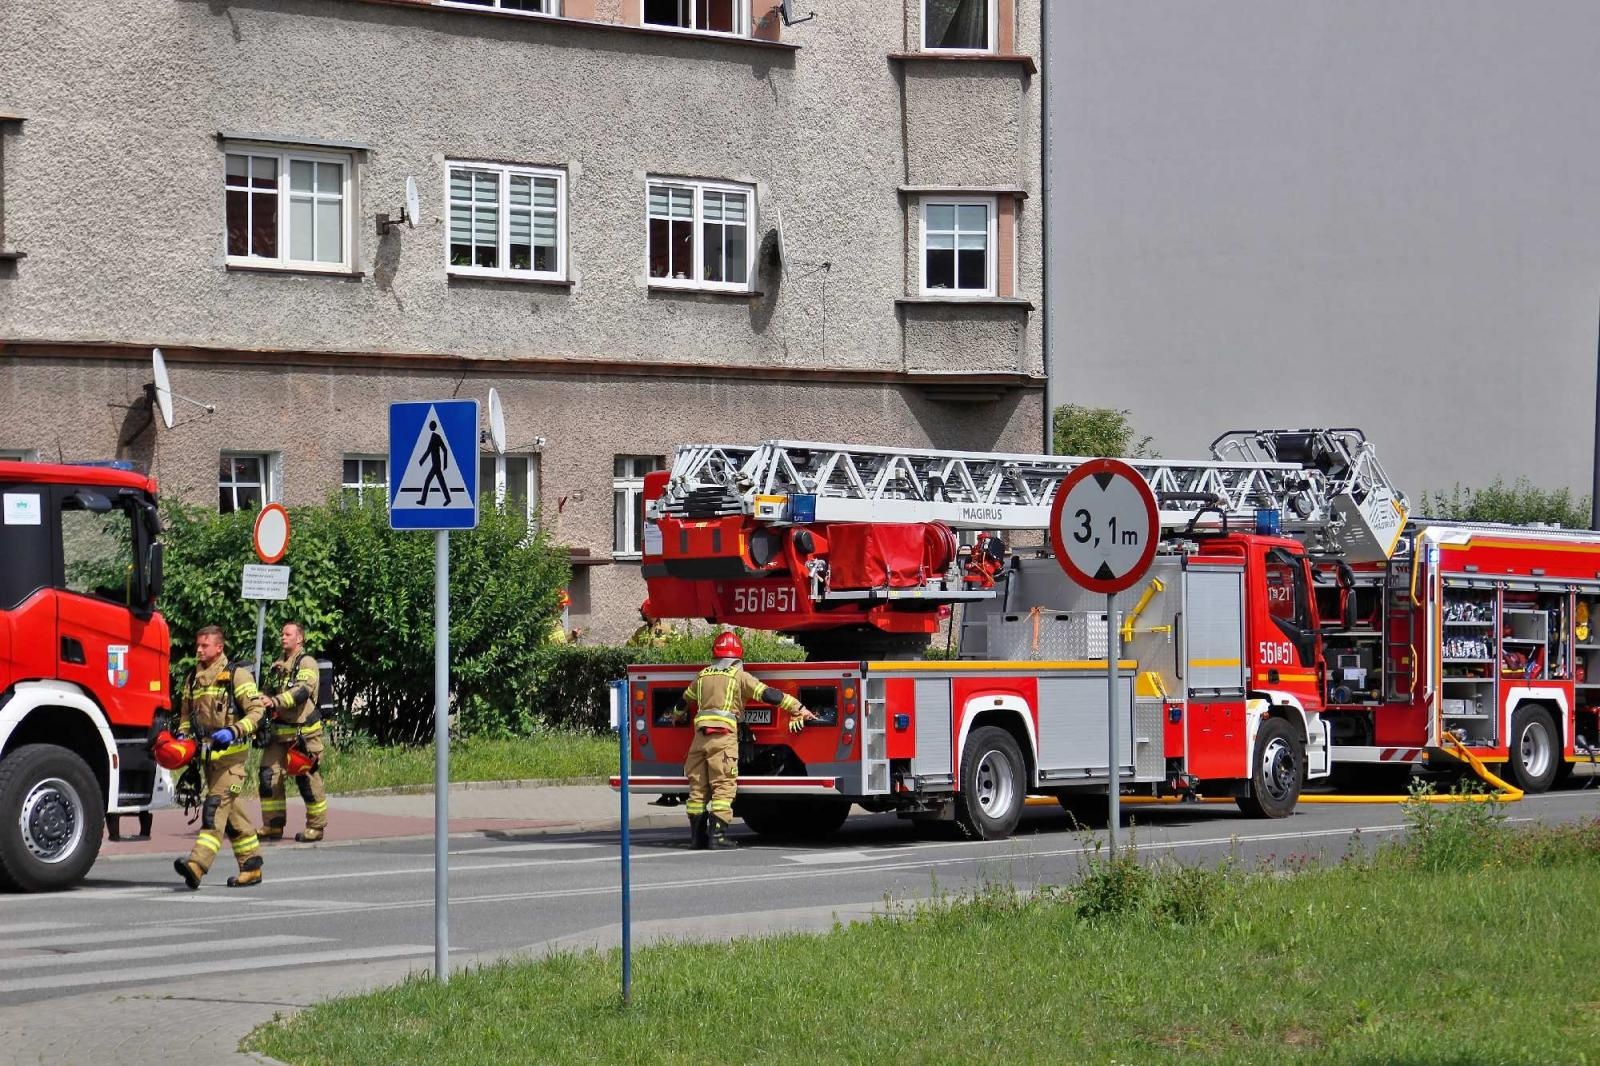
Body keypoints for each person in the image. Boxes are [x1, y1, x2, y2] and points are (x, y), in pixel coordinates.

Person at [676, 630, 816, 849]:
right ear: (737, 657)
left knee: (698, 787)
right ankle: (717, 837)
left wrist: (677, 717)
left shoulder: (702, 675)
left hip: (699, 740)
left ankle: (697, 838)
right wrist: (798, 707)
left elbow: (682, 702)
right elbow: (768, 694)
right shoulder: (738, 676)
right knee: (723, 786)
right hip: (722, 739)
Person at [172, 625, 267, 889]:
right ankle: (252, 866)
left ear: (219, 648)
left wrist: (234, 730)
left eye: (204, 645)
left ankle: (197, 866)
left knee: (214, 810)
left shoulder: (237, 676)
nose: (198, 649)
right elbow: (185, 717)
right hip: (208, 762)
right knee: (233, 816)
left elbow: (257, 712)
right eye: (198, 645)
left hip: (232, 761)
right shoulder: (193, 678)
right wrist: (183, 737)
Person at [258, 621, 329, 843]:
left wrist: (275, 701)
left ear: (299, 639)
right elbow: (267, 692)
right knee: (268, 777)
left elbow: (301, 692)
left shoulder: (306, 663)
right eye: (282, 633)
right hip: (279, 734)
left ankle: (316, 827)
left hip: (303, 735)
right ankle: (273, 825)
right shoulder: (277, 664)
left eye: (288, 634)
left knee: (306, 780)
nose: (283, 637)